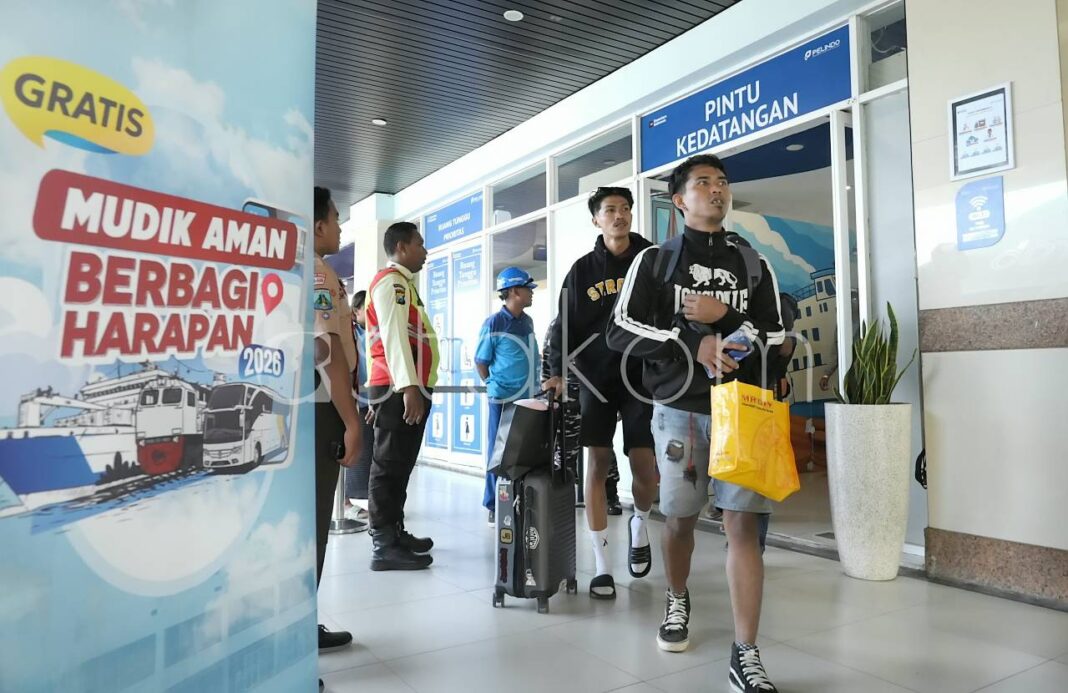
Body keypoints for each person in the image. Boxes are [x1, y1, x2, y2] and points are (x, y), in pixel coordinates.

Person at [606, 154, 784, 692]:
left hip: (741, 412)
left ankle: (745, 651)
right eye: (702, 183)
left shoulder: (752, 261)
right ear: (679, 200)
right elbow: (621, 330)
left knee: (742, 528)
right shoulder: (656, 262)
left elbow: (776, 336)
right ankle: (677, 597)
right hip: (678, 412)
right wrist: (693, 341)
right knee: (680, 519)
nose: (716, 190)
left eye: (722, 182)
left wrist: (725, 319)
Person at [542, 186, 658, 601]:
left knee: (647, 470)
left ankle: (640, 523)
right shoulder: (582, 270)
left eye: (625, 209)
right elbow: (563, 324)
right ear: (596, 219)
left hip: (643, 377)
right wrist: (555, 372)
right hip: (593, 379)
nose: (620, 215)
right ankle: (602, 566)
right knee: (596, 464)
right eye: (610, 210)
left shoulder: (651, 259)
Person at [364, 221, 438, 571]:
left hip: (403, 386)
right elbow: (393, 339)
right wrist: (409, 388)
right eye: (420, 244)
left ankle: (394, 530)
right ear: (403, 247)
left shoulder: (404, 285)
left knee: (401, 464)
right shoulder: (392, 284)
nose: (425, 251)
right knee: (389, 465)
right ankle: (383, 543)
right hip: (399, 387)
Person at [311, 187, 360, 660]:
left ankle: (300, 621)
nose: (341, 229)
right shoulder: (318, 271)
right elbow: (327, 351)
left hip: (312, 402)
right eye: (337, 219)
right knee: (315, 520)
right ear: (319, 225)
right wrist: (351, 420)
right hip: (323, 405)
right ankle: (303, 626)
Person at [475, 267, 540, 526]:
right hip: (502, 398)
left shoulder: (527, 321)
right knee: (498, 452)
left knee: (522, 451)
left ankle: (517, 498)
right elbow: (481, 361)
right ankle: (493, 504)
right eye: (527, 289)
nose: (531, 294)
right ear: (513, 291)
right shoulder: (494, 323)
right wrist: (492, 384)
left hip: (527, 397)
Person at [344, 290, 372, 523]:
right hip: (350, 398)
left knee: (365, 453)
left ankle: (357, 500)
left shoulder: (371, 333)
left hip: (368, 399)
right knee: (345, 452)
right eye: (368, 309)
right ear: (356, 311)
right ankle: (344, 504)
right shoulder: (350, 332)